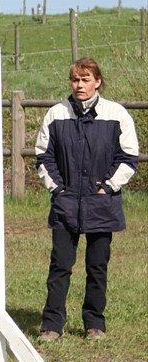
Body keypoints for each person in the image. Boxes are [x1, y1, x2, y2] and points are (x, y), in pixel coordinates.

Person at [35, 56, 139, 342]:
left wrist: (108, 186)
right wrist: (57, 189)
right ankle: (52, 325)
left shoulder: (117, 114)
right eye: (75, 80)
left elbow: (128, 158)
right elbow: (44, 157)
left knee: (97, 267)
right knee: (60, 266)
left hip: (102, 204)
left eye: (85, 79)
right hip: (66, 204)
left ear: (97, 82)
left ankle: (94, 324)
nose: (79, 85)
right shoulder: (57, 114)